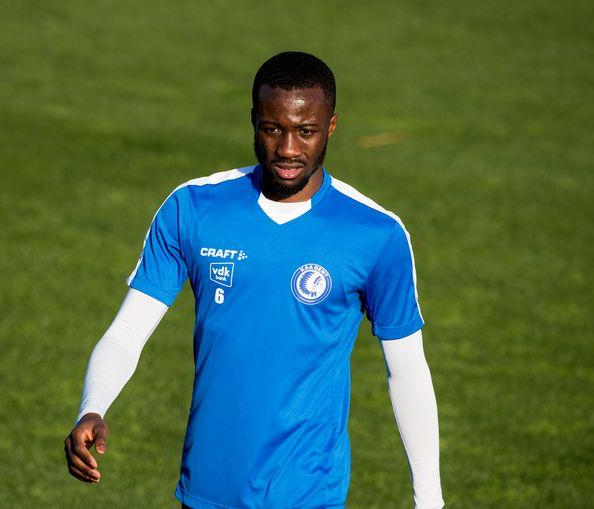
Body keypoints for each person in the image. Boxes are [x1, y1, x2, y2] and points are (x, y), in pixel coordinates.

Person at [64, 51, 444, 509]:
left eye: (306, 131)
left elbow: (406, 370)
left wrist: (430, 501)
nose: (288, 149)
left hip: (309, 494)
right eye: (272, 129)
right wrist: (93, 406)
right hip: (206, 490)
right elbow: (128, 332)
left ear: (331, 127)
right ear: (253, 121)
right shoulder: (193, 208)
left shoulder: (375, 234)